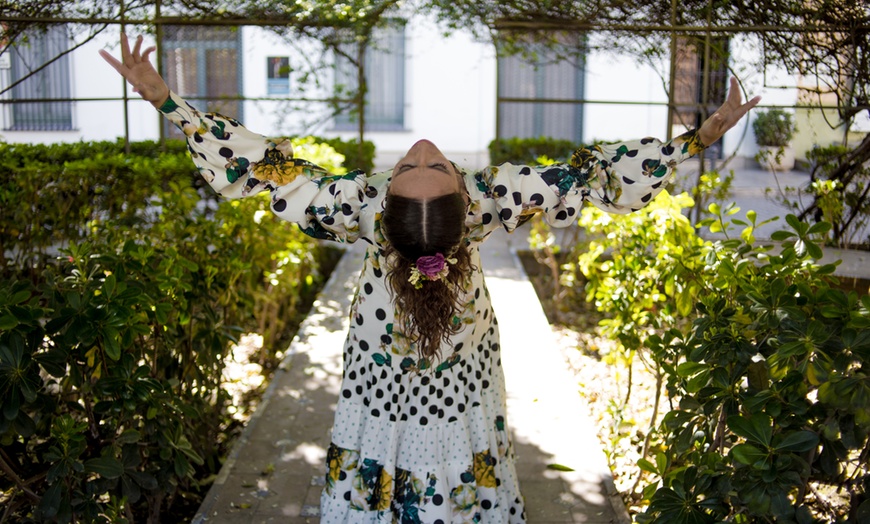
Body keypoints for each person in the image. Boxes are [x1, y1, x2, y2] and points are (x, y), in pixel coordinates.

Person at [101, 34, 760, 523]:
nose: (420, 149)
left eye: (425, 164)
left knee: (454, 480)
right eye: (424, 163)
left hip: (458, 393)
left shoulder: (368, 203)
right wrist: (167, 99)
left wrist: (698, 139)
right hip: (381, 392)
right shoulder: (472, 196)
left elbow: (261, 168)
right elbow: (259, 166)